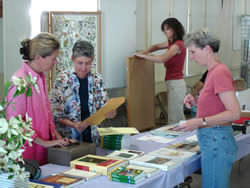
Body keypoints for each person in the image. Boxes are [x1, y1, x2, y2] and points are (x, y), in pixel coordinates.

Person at [175, 29, 241, 188]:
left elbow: (234, 112)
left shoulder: (219, 72)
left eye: (193, 52)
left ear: (207, 49)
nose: (191, 57)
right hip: (213, 138)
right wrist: (197, 102)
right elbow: (217, 102)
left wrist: (200, 122)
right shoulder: (212, 72)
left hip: (216, 139)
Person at [6, 32, 71, 165]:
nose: (55, 62)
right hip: (27, 154)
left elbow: (46, 118)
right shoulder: (20, 81)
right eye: (53, 58)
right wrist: (45, 143)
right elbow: (16, 122)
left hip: (43, 151)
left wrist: (58, 138)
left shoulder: (40, 77)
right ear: (38, 57)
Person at [50, 40, 116, 144]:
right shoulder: (62, 80)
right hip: (69, 139)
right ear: (73, 59)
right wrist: (74, 125)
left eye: (88, 63)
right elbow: (56, 115)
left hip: (93, 138)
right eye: (80, 63)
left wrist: (111, 113)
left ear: (92, 60)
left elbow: (103, 108)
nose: (84, 68)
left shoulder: (97, 79)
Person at [135, 17, 186, 125]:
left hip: (176, 84)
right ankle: (181, 138)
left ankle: (180, 140)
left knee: (175, 118)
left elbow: (162, 59)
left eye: (167, 29)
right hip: (172, 83)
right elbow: (156, 46)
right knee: (176, 116)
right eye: (163, 29)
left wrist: (143, 56)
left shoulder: (178, 45)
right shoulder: (171, 43)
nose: (165, 32)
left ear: (175, 29)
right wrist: (145, 52)